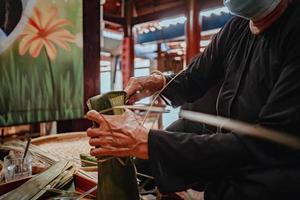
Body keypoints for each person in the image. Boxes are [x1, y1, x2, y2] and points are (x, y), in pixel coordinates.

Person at [86, 0, 300, 199]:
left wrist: (146, 142)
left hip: (275, 166)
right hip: (235, 145)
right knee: (184, 126)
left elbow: (268, 145)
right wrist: (155, 81)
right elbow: (194, 78)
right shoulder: (237, 27)